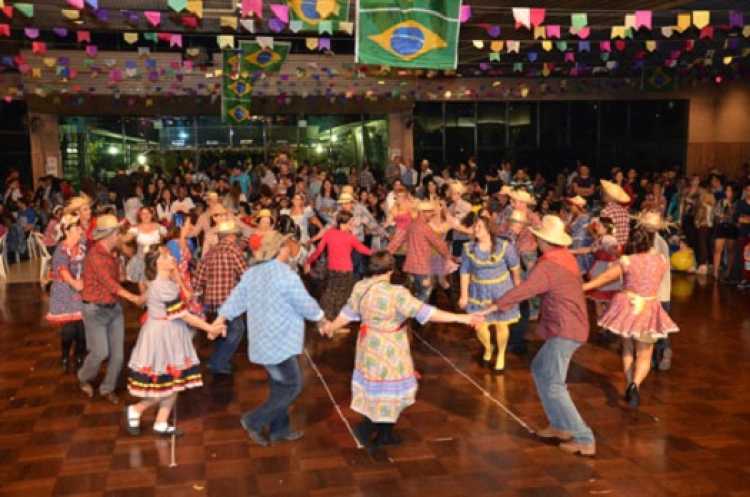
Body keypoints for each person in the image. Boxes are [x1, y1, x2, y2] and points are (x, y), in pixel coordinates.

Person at [322, 251, 482, 448]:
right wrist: (462, 318)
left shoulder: (360, 287)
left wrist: (331, 327)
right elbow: (427, 313)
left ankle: (372, 424)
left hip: (368, 345)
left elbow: (347, 313)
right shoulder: (396, 293)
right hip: (390, 347)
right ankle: (384, 435)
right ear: (390, 270)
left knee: (374, 386)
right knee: (390, 391)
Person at [484, 215, 596, 456]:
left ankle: (584, 437)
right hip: (569, 326)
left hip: (566, 329)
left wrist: (495, 305)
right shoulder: (564, 257)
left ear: (543, 240)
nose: (534, 239)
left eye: (536, 237)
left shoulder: (549, 265)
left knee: (554, 383)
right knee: (539, 369)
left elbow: (526, 289)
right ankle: (560, 426)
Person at [214, 229, 327, 446]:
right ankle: (253, 420)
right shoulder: (286, 275)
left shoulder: (252, 274)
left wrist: (221, 318)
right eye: (287, 245)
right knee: (293, 386)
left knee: (279, 386)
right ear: (280, 249)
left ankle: (279, 430)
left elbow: (236, 299)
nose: (289, 249)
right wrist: (321, 319)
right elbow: (305, 304)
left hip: (262, 341)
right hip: (281, 342)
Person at [124, 246, 225, 437]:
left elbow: (179, 300)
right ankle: (136, 409)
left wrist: (176, 275)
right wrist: (210, 328)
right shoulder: (162, 287)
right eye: (166, 256)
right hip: (162, 335)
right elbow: (184, 315)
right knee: (164, 385)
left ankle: (161, 422)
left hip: (167, 331)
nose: (171, 257)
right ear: (158, 263)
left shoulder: (162, 282)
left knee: (174, 382)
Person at [583, 225, 679, 408]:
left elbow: (603, 279)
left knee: (627, 347)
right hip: (649, 308)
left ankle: (628, 382)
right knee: (645, 355)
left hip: (626, 307)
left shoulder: (627, 261)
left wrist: (582, 287)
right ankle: (635, 384)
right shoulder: (662, 260)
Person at [78, 214, 144, 404]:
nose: (119, 235)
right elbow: (110, 284)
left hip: (113, 309)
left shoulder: (113, 252)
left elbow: (119, 278)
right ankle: (83, 377)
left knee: (118, 355)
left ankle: (107, 388)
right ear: (110, 234)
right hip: (94, 311)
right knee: (100, 352)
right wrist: (134, 297)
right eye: (117, 233)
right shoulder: (95, 256)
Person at [459, 214, 521, 372]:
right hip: (479, 292)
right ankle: (488, 347)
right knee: (480, 326)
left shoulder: (504, 246)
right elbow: (464, 272)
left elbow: (515, 269)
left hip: (501, 291)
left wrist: (517, 290)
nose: (475, 229)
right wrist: (464, 295)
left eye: (479, 226)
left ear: (489, 228)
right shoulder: (468, 248)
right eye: (474, 226)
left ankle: (501, 354)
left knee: (501, 325)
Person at [194, 219, 248, 375]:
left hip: (211, 300)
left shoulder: (210, 253)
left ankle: (218, 361)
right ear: (231, 236)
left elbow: (199, 279)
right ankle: (218, 362)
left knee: (220, 331)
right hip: (230, 300)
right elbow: (245, 275)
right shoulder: (234, 251)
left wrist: (197, 297)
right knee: (237, 330)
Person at [304, 210, 373, 319]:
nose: (354, 223)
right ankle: (335, 324)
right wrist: (381, 253)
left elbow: (318, 251)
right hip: (345, 271)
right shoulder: (350, 237)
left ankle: (326, 320)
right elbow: (364, 250)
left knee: (331, 294)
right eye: (351, 221)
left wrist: (308, 262)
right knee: (342, 297)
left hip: (332, 269)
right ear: (344, 222)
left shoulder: (329, 233)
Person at [388, 201, 454, 302]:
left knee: (418, 292)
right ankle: (419, 315)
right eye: (430, 212)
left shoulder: (411, 225)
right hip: (422, 268)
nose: (432, 214)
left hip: (411, 267)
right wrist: (448, 257)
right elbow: (439, 244)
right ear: (423, 212)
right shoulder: (425, 228)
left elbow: (398, 240)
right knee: (423, 295)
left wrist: (387, 253)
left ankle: (420, 313)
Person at [46, 214, 87, 372]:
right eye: (77, 228)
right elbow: (63, 270)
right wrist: (74, 283)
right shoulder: (61, 250)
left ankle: (79, 355)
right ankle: (64, 355)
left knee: (82, 328)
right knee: (69, 329)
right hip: (64, 293)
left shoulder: (83, 245)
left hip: (81, 291)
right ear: (67, 231)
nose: (80, 230)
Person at [600, 180, 631, 248]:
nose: (603, 194)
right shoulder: (625, 211)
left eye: (605, 193)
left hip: (610, 248)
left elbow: (606, 233)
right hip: (622, 247)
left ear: (610, 196)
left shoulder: (606, 211)